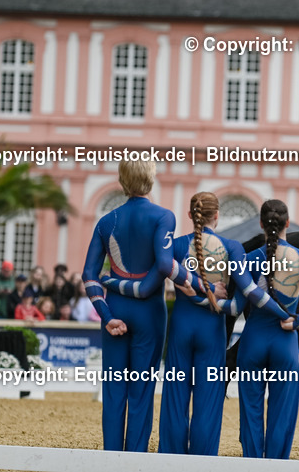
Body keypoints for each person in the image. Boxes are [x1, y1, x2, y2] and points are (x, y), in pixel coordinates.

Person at [83, 159, 210, 452]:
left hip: (114, 311)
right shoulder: (163, 216)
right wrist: (201, 285)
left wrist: (106, 314)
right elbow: (166, 265)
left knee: (114, 391)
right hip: (149, 312)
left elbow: (89, 275)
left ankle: (111, 459)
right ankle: (135, 459)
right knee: (141, 392)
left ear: (122, 181)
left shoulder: (106, 221)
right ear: (151, 181)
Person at [159, 192, 293, 456]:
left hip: (180, 328)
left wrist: (194, 291)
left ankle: (171, 460)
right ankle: (203, 460)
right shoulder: (233, 248)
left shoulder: (175, 246)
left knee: (175, 399)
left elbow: (164, 272)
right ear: (217, 216)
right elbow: (248, 294)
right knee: (208, 403)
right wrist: (283, 313)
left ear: (189, 215)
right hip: (212, 330)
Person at [236, 199, 299, 459]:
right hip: (285, 339)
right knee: (282, 412)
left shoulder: (250, 258)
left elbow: (239, 302)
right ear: (287, 223)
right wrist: (298, 320)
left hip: (253, 338)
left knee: (250, 410)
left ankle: (252, 462)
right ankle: (276, 464)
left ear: (262, 224)